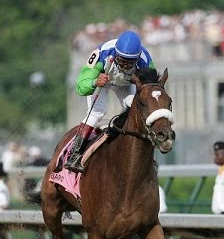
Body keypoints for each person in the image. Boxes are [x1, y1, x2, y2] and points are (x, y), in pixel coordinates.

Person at [65, 30, 156, 173]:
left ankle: (146, 155)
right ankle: (74, 154)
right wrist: (95, 81)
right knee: (97, 112)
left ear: (137, 57)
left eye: (129, 62)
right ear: (116, 53)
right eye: (122, 61)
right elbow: (81, 87)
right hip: (103, 80)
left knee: (138, 110)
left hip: (125, 85)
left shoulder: (146, 61)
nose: (125, 66)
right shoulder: (102, 52)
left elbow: (151, 90)